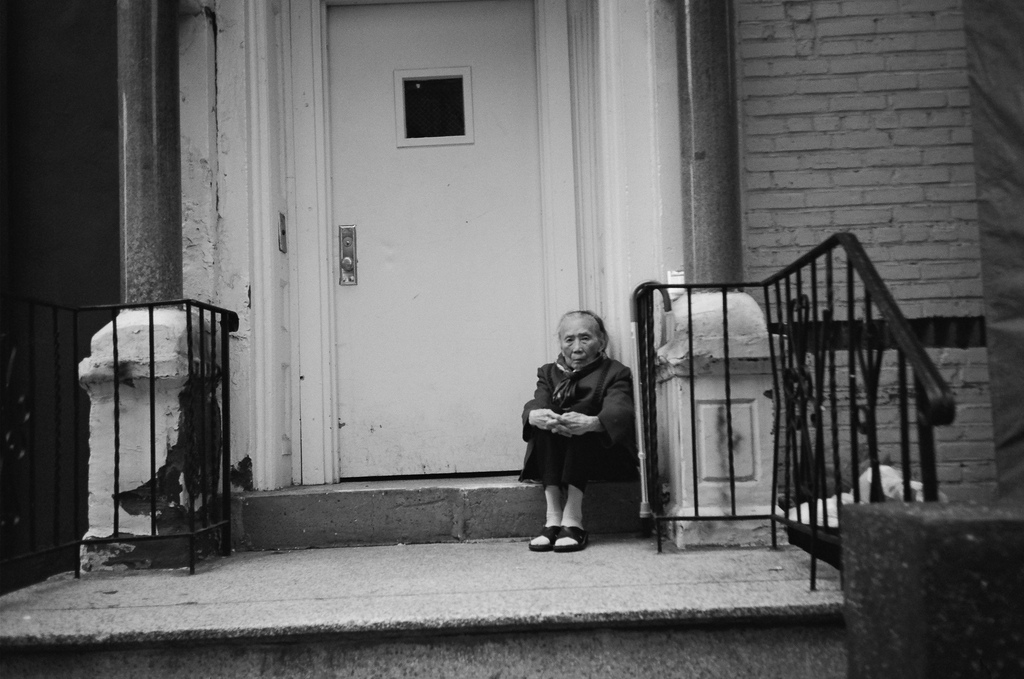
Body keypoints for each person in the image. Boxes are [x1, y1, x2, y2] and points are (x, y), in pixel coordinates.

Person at [519, 310, 638, 552]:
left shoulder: (616, 372)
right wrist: (534, 416)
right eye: (569, 339)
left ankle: (573, 520)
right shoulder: (548, 372)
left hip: (602, 458)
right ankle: (553, 519)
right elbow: (538, 401)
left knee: (581, 413)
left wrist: (591, 423)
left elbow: (620, 409)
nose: (577, 348)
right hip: (557, 459)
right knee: (547, 415)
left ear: (601, 342)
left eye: (585, 338)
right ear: (561, 343)